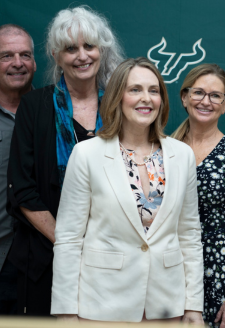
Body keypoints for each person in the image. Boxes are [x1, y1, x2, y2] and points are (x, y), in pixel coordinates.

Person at [51, 57, 204, 323]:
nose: (146, 98)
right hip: (102, 305)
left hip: (166, 306)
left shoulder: (182, 155)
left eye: (153, 90)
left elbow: (189, 235)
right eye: (135, 89)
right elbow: (69, 239)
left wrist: (193, 307)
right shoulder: (87, 154)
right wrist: (66, 312)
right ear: (117, 97)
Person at [6, 6, 123, 316]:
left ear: (102, 50)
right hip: (46, 257)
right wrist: (70, 244)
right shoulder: (34, 106)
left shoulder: (121, 105)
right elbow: (22, 188)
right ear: (57, 56)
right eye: (71, 48)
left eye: (89, 46)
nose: (82, 55)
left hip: (113, 259)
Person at [172, 63, 225, 328]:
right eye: (198, 93)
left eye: (215, 95)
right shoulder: (165, 149)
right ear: (184, 97)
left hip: (220, 272)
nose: (205, 101)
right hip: (172, 267)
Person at [0, 24, 36, 315]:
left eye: (25, 55)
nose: (17, 63)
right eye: (6, 56)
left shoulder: (52, 112)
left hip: (34, 260)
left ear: (35, 63)